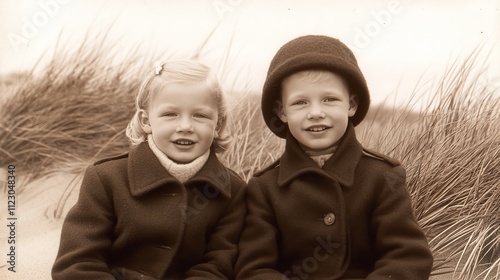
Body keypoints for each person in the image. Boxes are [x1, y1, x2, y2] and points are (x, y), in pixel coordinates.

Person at [235, 35, 433, 279]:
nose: (316, 113)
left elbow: (407, 256)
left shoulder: (383, 176)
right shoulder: (264, 188)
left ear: (350, 105)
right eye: (300, 102)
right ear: (281, 111)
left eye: (329, 99)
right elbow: (254, 268)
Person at [52, 60, 246, 280]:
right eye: (170, 114)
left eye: (200, 115)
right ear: (146, 121)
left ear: (218, 124)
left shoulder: (232, 190)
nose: (185, 126)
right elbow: (78, 263)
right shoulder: (106, 179)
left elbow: (218, 266)